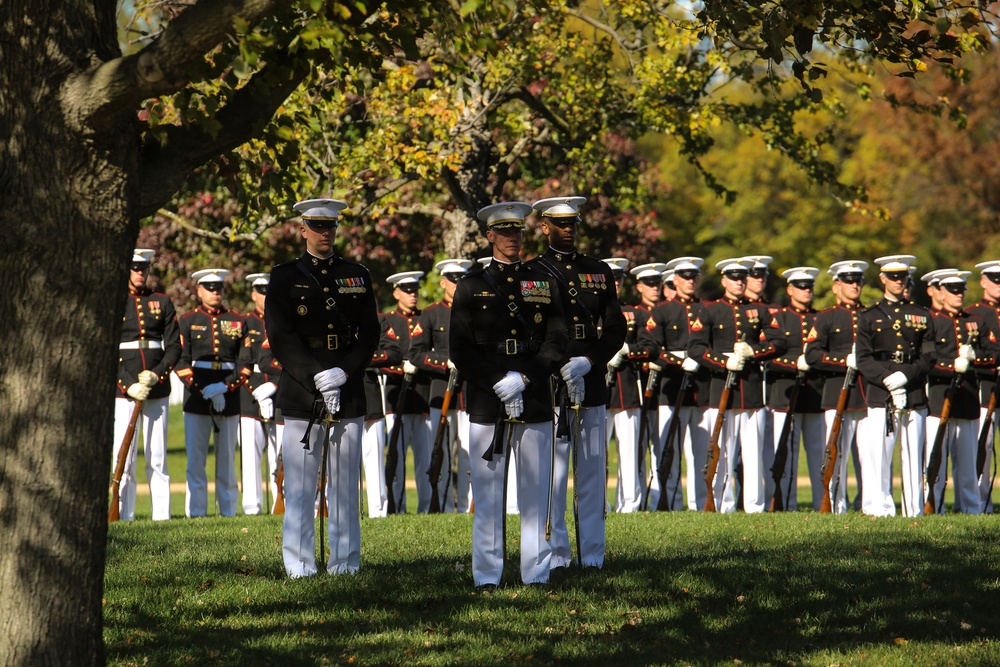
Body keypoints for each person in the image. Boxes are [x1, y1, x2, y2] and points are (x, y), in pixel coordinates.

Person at [449, 201, 567, 589]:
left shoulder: (544, 281)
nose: (513, 239)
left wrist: (524, 378)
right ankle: (487, 575)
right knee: (487, 495)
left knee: (535, 494)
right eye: (504, 232)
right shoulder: (472, 285)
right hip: (486, 398)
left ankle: (536, 574)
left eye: (518, 232)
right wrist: (498, 381)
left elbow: (555, 342)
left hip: (533, 395)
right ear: (490, 236)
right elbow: (460, 349)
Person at [265, 198, 380, 577]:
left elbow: (369, 333)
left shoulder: (357, 274)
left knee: (346, 486)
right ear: (303, 230)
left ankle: (345, 563)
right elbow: (280, 335)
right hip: (303, 390)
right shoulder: (284, 276)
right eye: (316, 226)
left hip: (347, 387)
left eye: (329, 227)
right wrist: (315, 375)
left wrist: (344, 373)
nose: (324, 233)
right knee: (299, 487)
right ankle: (299, 565)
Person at [527, 196, 627, 570]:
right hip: (549, 382)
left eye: (573, 224)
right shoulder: (532, 271)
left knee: (592, 471)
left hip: (590, 376)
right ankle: (556, 556)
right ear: (545, 227)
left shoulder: (598, 270)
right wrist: (551, 366)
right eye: (560, 223)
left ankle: (593, 558)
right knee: (552, 474)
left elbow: (615, 327)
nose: (567, 229)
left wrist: (591, 361)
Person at [688, 258, 787, 513]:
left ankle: (754, 506)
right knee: (722, 452)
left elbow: (779, 343)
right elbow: (696, 347)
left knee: (753, 454)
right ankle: (723, 503)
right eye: (733, 278)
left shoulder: (759, 310)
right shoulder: (710, 310)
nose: (739, 282)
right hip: (721, 388)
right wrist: (723, 361)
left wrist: (754, 351)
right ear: (723, 281)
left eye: (742, 278)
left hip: (752, 392)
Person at [855, 254, 934, 517]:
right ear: (883, 279)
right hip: (881, 392)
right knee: (880, 455)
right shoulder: (868, 316)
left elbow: (929, 356)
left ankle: (914, 510)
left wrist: (905, 376)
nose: (899, 281)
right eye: (893, 277)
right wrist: (888, 379)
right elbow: (863, 358)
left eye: (903, 277)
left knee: (913, 456)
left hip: (913, 390)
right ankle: (881, 509)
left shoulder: (922, 314)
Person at [638, 256, 712, 511]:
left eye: (694, 277)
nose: (690, 281)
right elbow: (651, 347)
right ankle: (671, 502)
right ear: (675, 280)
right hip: (670, 390)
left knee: (701, 453)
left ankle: (701, 503)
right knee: (669, 449)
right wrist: (678, 360)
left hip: (702, 390)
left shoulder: (707, 309)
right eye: (685, 277)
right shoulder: (662, 311)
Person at [113, 248, 181, 521]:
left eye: (144, 268)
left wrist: (158, 373)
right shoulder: (114, 300)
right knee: (124, 458)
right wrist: (127, 383)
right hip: (125, 389)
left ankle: (161, 516)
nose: (140, 273)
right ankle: (123, 514)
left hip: (156, 386)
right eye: (134, 268)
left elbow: (174, 346)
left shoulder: (162, 302)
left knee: (157, 457)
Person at [175, 268, 249, 518]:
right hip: (196, 397)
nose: (215, 292)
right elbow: (182, 363)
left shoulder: (239, 321)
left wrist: (225, 387)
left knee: (227, 460)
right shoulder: (186, 321)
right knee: (196, 460)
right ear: (199, 291)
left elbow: (245, 363)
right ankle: (196, 512)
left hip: (228, 395)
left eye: (218, 288)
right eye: (209, 287)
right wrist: (204, 391)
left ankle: (228, 512)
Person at [804, 260, 869, 514]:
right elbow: (812, 354)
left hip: (866, 395)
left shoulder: (871, 315)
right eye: (848, 281)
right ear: (836, 286)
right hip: (836, 394)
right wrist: (843, 361)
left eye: (858, 281)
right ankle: (835, 503)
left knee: (870, 456)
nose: (854, 285)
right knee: (836, 454)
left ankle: (867, 504)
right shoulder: (826, 317)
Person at [410, 258, 474, 512]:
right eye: (453, 280)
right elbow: (416, 353)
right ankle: (446, 507)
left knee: (470, 451)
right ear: (442, 282)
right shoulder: (431, 313)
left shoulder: (473, 310)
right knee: (442, 453)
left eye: (462, 280)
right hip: (441, 391)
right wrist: (443, 362)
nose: (458, 285)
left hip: (469, 393)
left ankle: (469, 506)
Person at [924, 270, 988, 514]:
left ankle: (971, 508)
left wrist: (976, 358)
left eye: (961, 290)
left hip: (969, 399)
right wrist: (951, 366)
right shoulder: (931, 321)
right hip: (939, 399)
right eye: (952, 290)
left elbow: (993, 354)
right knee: (935, 458)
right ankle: (932, 505)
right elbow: (928, 358)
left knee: (968, 462)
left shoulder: (975, 321)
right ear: (941, 292)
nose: (958, 294)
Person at [768, 267, 825, 510]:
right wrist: (794, 364)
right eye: (801, 287)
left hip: (816, 395)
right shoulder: (779, 319)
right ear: (790, 290)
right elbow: (768, 356)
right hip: (785, 394)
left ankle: (822, 503)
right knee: (786, 456)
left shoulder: (821, 318)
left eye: (809, 287)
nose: (806, 291)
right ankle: (787, 504)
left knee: (819, 454)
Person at [603, 259, 657, 514]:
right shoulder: (588, 311)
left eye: (619, 279)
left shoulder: (635, 314)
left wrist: (629, 350)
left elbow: (652, 347)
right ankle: (598, 503)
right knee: (596, 454)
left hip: (628, 392)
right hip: (599, 393)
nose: (615, 282)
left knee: (630, 452)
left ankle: (630, 504)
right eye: (610, 278)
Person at [383, 270, 434, 513]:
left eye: (415, 290)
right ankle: (398, 506)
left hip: (422, 395)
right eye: (407, 290)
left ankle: (426, 507)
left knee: (425, 458)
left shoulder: (426, 318)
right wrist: (398, 367)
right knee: (397, 456)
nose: (412, 294)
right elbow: (383, 356)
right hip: (396, 394)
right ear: (396, 293)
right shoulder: (389, 320)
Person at [236, 272, 281, 515]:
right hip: (250, 392)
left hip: (279, 390)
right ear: (254, 294)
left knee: (280, 453)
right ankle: (252, 506)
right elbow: (242, 362)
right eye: (262, 292)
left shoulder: (282, 321)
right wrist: (256, 392)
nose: (266, 296)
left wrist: (274, 386)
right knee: (250, 455)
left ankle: (279, 502)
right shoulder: (246, 323)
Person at [966, 260, 1000, 512]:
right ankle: (981, 500)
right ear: (983, 282)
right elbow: (970, 355)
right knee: (984, 445)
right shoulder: (973, 314)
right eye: (995, 280)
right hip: (987, 386)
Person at [360, 315, 402, 518]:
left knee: (374, 458)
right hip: (339, 398)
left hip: (369, 397)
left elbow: (394, 353)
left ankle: (378, 511)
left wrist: (362, 358)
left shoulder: (377, 320)